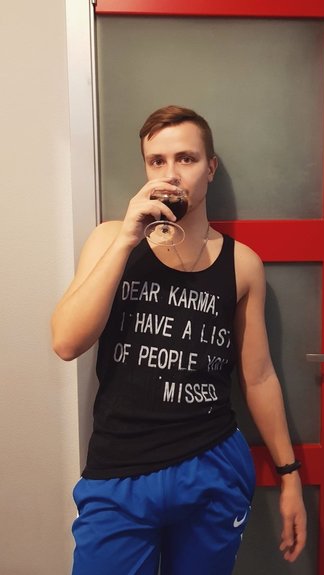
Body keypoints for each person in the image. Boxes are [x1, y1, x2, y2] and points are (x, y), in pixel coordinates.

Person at [52, 105, 307, 575]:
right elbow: (67, 342)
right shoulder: (110, 239)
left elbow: (258, 377)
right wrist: (128, 239)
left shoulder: (242, 264)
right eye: (157, 161)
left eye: (186, 159)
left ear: (210, 167)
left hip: (212, 464)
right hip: (121, 468)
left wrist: (290, 477)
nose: (170, 174)